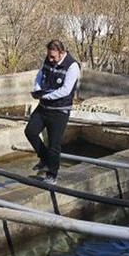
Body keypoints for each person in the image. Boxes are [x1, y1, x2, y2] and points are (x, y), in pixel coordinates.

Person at [25, 40, 80, 185]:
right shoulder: (48, 60)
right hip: (44, 107)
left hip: (59, 110)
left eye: (53, 57)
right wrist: (37, 89)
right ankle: (44, 159)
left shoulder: (72, 66)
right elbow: (40, 75)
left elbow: (66, 90)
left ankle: (52, 174)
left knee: (54, 144)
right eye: (49, 56)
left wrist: (45, 96)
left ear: (61, 53)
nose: (50, 59)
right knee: (30, 131)